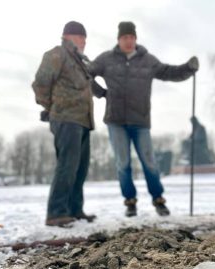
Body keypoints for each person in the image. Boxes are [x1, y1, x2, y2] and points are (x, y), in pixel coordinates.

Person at [89, 21, 199, 217]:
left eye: (131, 37)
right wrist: (100, 92)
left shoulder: (147, 60)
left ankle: (158, 199)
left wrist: (188, 68)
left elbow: (169, 72)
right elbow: (86, 74)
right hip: (115, 121)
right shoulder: (106, 59)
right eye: (125, 38)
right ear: (118, 40)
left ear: (136, 39)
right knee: (122, 163)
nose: (128, 41)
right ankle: (130, 201)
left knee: (149, 162)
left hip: (140, 121)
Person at [32, 21, 103, 227]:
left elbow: (89, 87)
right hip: (66, 118)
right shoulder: (57, 54)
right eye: (82, 37)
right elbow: (40, 84)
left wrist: (106, 93)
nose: (84, 42)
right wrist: (51, 108)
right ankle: (56, 212)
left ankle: (74, 209)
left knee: (79, 168)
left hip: (83, 121)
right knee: (67, 166)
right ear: (70, 36)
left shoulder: (80, 62)